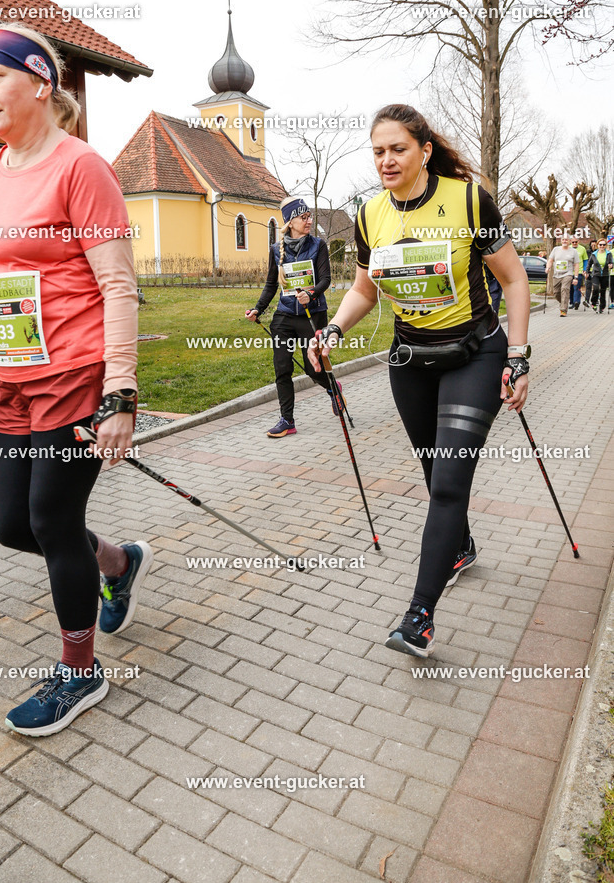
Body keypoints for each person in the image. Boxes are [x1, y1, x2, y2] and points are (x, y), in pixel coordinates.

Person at [0, 23, 152, 736]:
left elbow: (117, 286)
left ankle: (80, 673)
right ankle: (117, 561)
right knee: (9, 525)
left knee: (53, 520)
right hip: (17, 378)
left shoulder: (80, 167)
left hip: (78, 372)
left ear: (39, 81)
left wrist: (121, 391)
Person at [309, 104, 530, 658]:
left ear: (424, 151)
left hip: (474, 355)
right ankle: (460, 546)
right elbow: (364, 289)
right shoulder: (369, 214)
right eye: (378, 151)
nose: (387, 160)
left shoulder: (467, 200)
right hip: (410, 360)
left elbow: (515, 279)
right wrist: (333, 329)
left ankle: (419, 616)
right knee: (436, 475)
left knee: (451, 483)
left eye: (398, 149)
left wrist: (520, 357)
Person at [245, 197, 344, 437]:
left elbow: (325, 280)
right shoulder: (275, 250)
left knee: (313, 368)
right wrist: (258, 308)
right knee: (282, 368)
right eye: (304, 217)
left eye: (309, 216)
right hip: (285, 315)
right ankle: (287, 420)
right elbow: (270, 285)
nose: (309, 221)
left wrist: (311, 294)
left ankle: (333, 389)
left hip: (313, 314)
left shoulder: (318, 245)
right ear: (290, 222)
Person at [547, 235, 580, 317]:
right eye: (563, 239)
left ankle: (563, 310)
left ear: (569, 241)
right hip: (557, 274)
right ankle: (563, 302)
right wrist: (548, 267)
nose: (565, 241)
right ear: (561, 241)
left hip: (568, 274)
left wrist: (575, 277)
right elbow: (550, 260)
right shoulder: (556, 249)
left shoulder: (573, 251)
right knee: (556, 292)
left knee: (565, 289)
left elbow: (576, 264)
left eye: (566, 240)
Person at [585, 239, 614, 314]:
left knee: (603, 291)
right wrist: (587, 272)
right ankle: (593, 302)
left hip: (605, 274)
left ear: (606, 245)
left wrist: (611, 265)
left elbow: (611, 262)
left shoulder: (608, 254)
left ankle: (602, 307)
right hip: (596, 274)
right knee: (596, 288)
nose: (602, 246)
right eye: (600, 245)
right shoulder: (594, 254)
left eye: (604, 245)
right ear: (597, 245)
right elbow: (589, 263)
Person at [569, 236, 588, 310]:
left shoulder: (582, 249)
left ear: (578, 241)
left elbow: (585, 259)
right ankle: (572, 302)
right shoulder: (568, 248)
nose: (574, 243)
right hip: (569, 271)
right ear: (570, 242)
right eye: (573, 242)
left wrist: (584, 269)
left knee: (576, 287)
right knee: (570, 288)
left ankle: (576, 302)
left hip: (579, 271)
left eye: (576, 242)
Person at [584, 239, 599, 307]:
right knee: (588, 286)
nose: (593, 246)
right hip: (589, 271)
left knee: (596, 287)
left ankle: (595, 300)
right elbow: (587, 261)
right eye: (592, 245)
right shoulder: (588, 252)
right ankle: (587, 300)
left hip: (597, 272)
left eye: (594, 245)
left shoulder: (599, 252)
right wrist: (586, 271)